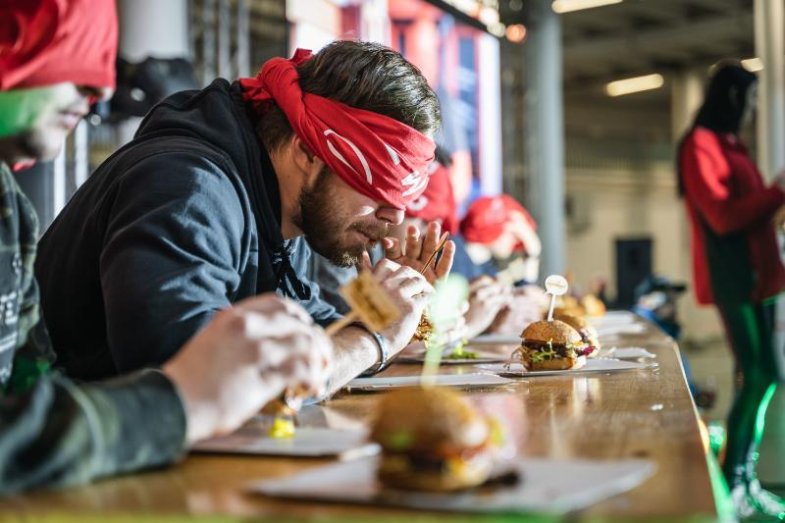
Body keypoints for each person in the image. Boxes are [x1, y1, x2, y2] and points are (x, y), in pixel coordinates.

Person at [0, 0, 332, 494]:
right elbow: (174, 351)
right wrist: (177, 403)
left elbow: (34, 390)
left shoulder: (10, 208)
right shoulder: (186, 183)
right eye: (64, 45)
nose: (103, 89)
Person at [34, 40, 448, 388]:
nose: (395, 215)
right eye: (376, 187)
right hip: (52, 469)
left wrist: (396, 316)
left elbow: (309, 335)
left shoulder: (282, 208)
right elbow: (192, 375)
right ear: (306, 150)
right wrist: (372, 340)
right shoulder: (188, 189)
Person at [679, 62, 785, 519]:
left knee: (759, 377)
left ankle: (743, 479)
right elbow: (724, 216)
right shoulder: (700, 145)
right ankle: (733, 479)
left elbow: (751, 213)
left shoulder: (729, 144)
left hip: (761, 277)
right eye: (752, 100)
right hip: (735, 278)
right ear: (735, 97)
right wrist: (778, 192)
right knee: (761, 376)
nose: (753, 109)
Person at [311, 146, 510, 340]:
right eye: (422, 218)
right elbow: (356, 338)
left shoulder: (384, 252)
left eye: (438, 221)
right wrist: (465, 327)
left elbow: (390, 336)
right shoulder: (347, 245)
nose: (429, 232)